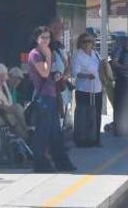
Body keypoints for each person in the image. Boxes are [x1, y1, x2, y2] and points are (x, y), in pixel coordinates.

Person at [27, 26, 76, 173]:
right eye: (43, 37)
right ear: (37, 39)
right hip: (43, 98)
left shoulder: (46, 53)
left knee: (56, 133)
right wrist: (48, 56)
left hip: (52, 96)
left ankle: (62, 162)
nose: (45, 40)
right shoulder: (35, 54)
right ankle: (40, 163)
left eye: (48, 37)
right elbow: (43, 73)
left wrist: (57, 75)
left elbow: (50, 73)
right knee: (43, 132)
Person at [72, 33, 103, 147]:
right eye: (84, 41)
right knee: (83, 115)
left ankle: (94, 139)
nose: (87, 44)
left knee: (95, 114)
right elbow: (75, 72)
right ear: (80, 43)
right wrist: (86, 76)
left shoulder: (95, 53)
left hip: (97, 88)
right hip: (84, 89)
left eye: (89, 41)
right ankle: (82, 139)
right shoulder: (78, 55)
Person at [0, 63, 29, 139]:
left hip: (7, 109)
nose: (17, 81)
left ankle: (26, 139)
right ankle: (26, 130)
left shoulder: (5, 86)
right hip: (1, 110)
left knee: (18, 114)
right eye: (1, 76)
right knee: (18, 108)